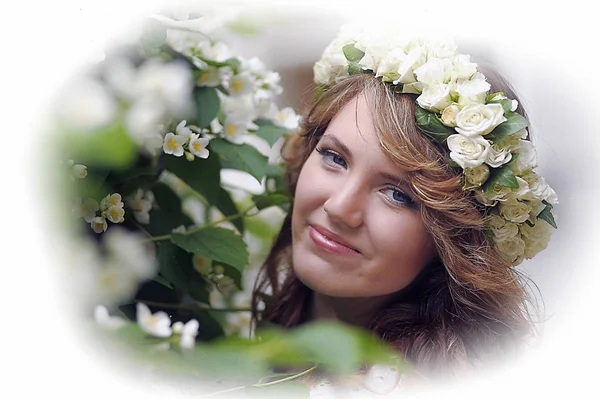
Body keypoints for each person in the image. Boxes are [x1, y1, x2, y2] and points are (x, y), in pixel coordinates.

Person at [251, 26, 558, 382]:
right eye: (335, 158)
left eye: (399, 195)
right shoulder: (255, 332)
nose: (339, 208)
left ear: (454, 239)